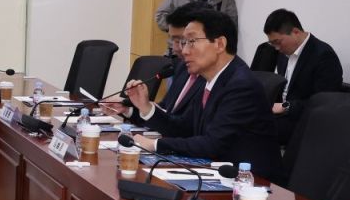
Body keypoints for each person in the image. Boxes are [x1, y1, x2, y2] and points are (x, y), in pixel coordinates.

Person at [115, 9, 282, 181]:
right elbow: (185, 129)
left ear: (220, 44)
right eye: (184, 42)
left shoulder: (241, 84)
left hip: (251, 183)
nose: (184, 51)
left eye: (191, 42)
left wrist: (156, 144)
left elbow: (213, 144)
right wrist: (145, 107)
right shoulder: (210, 79)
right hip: (216, 172)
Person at [263, 8, 344, 144]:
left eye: (278, 42)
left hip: (305, 120)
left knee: (256, 129)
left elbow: (323, 103)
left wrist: (286, 106)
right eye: (272, 44)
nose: (276, 48)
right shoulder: (283, 53)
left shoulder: (323, 56)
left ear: (295, 32)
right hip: (283, 115)